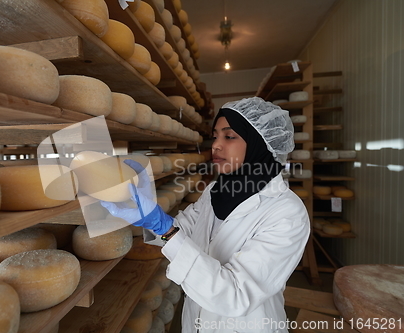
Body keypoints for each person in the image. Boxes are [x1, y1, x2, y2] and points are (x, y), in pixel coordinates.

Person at [102, 97, 310, 333]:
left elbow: (236, 295)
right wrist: (154, 215)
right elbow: (183, 230)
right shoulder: (217, 190)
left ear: (258, 144)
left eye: (229, 136)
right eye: (215, 136)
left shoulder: (287, 212)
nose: (216, 145)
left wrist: (166, 230)